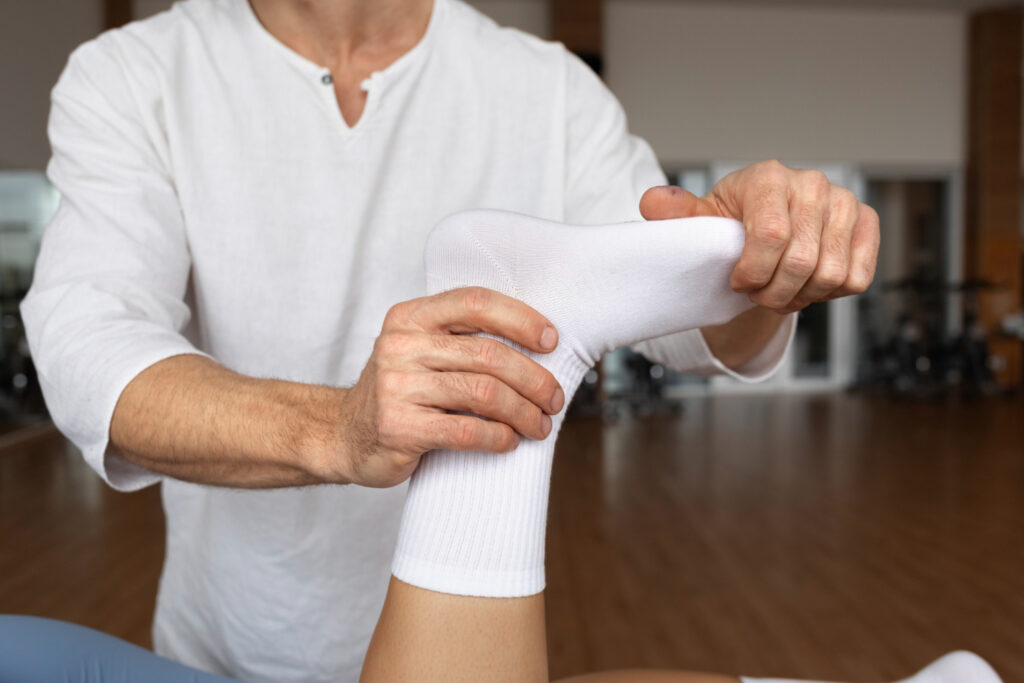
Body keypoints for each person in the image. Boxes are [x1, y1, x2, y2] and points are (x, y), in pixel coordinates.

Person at [20, 0, 879, 680]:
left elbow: (690, 323)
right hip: (228, 642)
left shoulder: (547, 88)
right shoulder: (133, 73)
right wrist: (339, 428)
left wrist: (755, 257)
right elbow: (88, 341)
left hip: (470, 641)